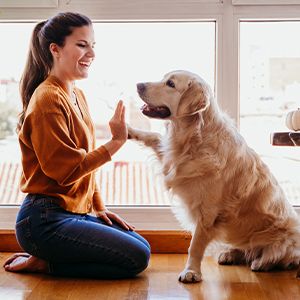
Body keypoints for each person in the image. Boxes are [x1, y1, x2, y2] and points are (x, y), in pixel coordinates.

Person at [3, 12, 150, 279]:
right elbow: (66, 171)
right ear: (55, 49)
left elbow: (84, 167)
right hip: (43, 220)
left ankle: (48, 258)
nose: (91, 53)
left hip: (71, 211)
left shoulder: (75, 94)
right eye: (82, 45)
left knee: (142, 245)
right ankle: (45, 263)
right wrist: (116, 142)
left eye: (93, 45)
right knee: (136, 258)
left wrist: (99, 207)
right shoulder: (47, 100)